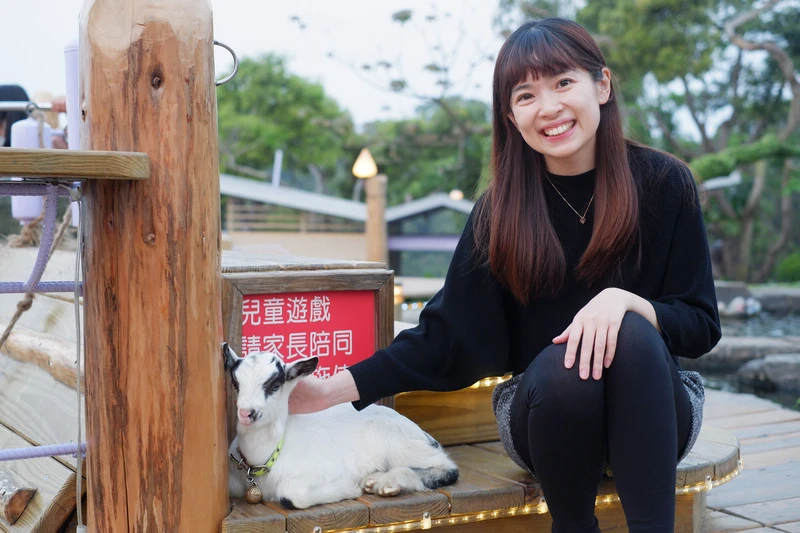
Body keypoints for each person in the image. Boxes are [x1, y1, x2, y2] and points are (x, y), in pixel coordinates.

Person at [289, 18, 720, 533]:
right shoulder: (500, 213)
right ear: (511, 117)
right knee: (566, 368)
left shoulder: (664, 184)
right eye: (526, 95)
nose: (549, 107)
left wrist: (626, 302)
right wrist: (327, 392)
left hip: (658, 408)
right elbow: (446, 338)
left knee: (627, 331)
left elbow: (700, 324)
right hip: (547, 415)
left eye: (564, 82)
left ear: (601, 85)